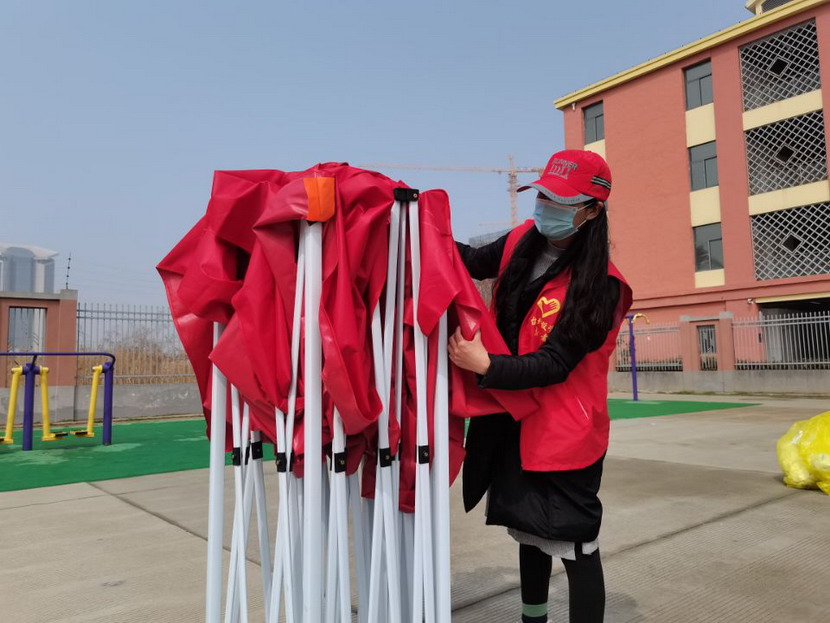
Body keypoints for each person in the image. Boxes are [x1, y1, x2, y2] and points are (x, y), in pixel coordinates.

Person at [449, 149, 632, 623]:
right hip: (512, 418)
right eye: (544, 195)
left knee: (574, 542)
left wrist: (484, 364)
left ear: (592, 211)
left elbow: (555, 363)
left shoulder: (602, 285)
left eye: (561, 201)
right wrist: (416, 226)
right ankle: (534, 619)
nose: (546, 207)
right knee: (529, 531)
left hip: (562, 432)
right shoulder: (519, 240)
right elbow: (469, 260)